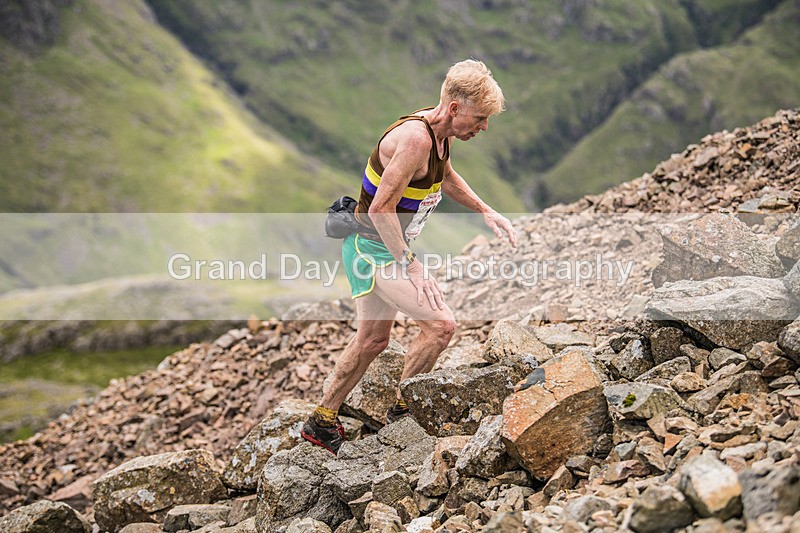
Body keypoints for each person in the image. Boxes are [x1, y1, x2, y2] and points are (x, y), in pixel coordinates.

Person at [301, 59, 518, 454]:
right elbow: (381, 208)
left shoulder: (440, 134)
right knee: (441, 327)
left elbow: (447, 177)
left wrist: (485, 210)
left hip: (381, 247)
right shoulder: (415, 140)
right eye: (481, 118)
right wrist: (413, 266)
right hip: (373, 249)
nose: (484, 127)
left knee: (371, 341)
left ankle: (322, 421)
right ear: (455, 109)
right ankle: (404, 411)